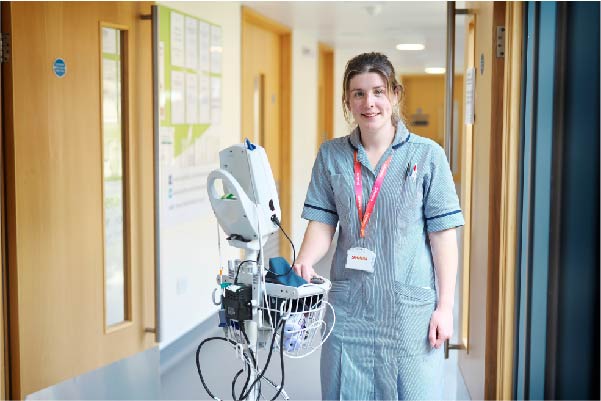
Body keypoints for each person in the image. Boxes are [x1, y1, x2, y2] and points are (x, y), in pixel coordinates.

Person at [292, 52, 464, 400]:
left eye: (378, 91)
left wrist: (445, 307)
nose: (369, 102)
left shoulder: (427, 156)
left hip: (407, 315)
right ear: (347, 100)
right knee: (345, 391)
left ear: (395, 95)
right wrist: (305, 260)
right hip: (349, 309)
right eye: (358, 93)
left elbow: (442, 238)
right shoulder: (331, 156)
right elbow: (322, 223)